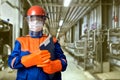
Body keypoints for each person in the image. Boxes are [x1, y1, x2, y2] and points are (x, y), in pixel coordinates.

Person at [8, 5, 67, 80]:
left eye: (39, 19)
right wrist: (28, 60)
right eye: (32, 19)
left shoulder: (52, 41)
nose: (35, 22)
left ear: (43, 20)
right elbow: (11, 63)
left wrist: (54, 65)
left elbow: (64, 62)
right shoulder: (21, 41)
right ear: (28, 21)